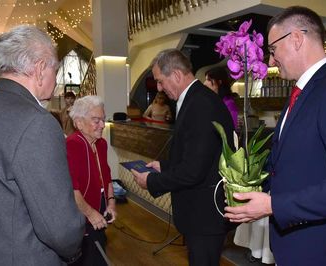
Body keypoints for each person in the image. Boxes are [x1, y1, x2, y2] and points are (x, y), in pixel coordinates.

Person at [224, 6, 326, 266]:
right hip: (297, 248)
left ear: (296, 39)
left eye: (273, 50)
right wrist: (249, 186)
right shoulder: (303, 92)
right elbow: (289, 166)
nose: (270, 61)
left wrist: (274, 206)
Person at [0, 25, 85, 265]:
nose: (55, 79)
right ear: (41, 68)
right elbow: (59, 227)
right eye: (56, 69)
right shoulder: (37, 123)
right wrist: (74, 250)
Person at [132, 49, 235, 266]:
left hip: (204, 216)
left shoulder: (201, 104)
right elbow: (197, 156)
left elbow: (193, 171)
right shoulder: (195, 99)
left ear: (177, 75)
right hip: (199, 214)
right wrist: (164, 166)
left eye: (160, 81)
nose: (159, 88)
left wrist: (151, 181)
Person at [67, 95, 116, 266]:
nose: (102, 125)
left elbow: (107, 177)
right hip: (82, 211)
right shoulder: (72, 144)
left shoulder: (101, 143)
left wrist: (111, 203)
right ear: (79, 122)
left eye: (103, 119)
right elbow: (72, 190)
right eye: (96, 120)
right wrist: (90, 213)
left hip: (100, 205)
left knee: (100, 249)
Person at [204, 67, 239, 131]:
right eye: (205, 79)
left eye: (209, 79)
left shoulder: (229, 104)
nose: (205, 83)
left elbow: (232, 129)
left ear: (219, 82)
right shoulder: (210, 101)